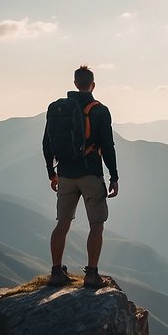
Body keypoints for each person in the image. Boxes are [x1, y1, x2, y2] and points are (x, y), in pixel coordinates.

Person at [42, 65, 119, 287]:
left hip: (65, 172)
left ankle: (56, 273)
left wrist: (51, 173)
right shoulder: (100, 110)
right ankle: (92, 274)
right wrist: (114, 176)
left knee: (62, 224)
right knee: (96, 225)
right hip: (91, 173)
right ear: (92, 85)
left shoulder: (59, 109)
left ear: (75, 84)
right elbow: (108, 145)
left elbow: (47, 143)